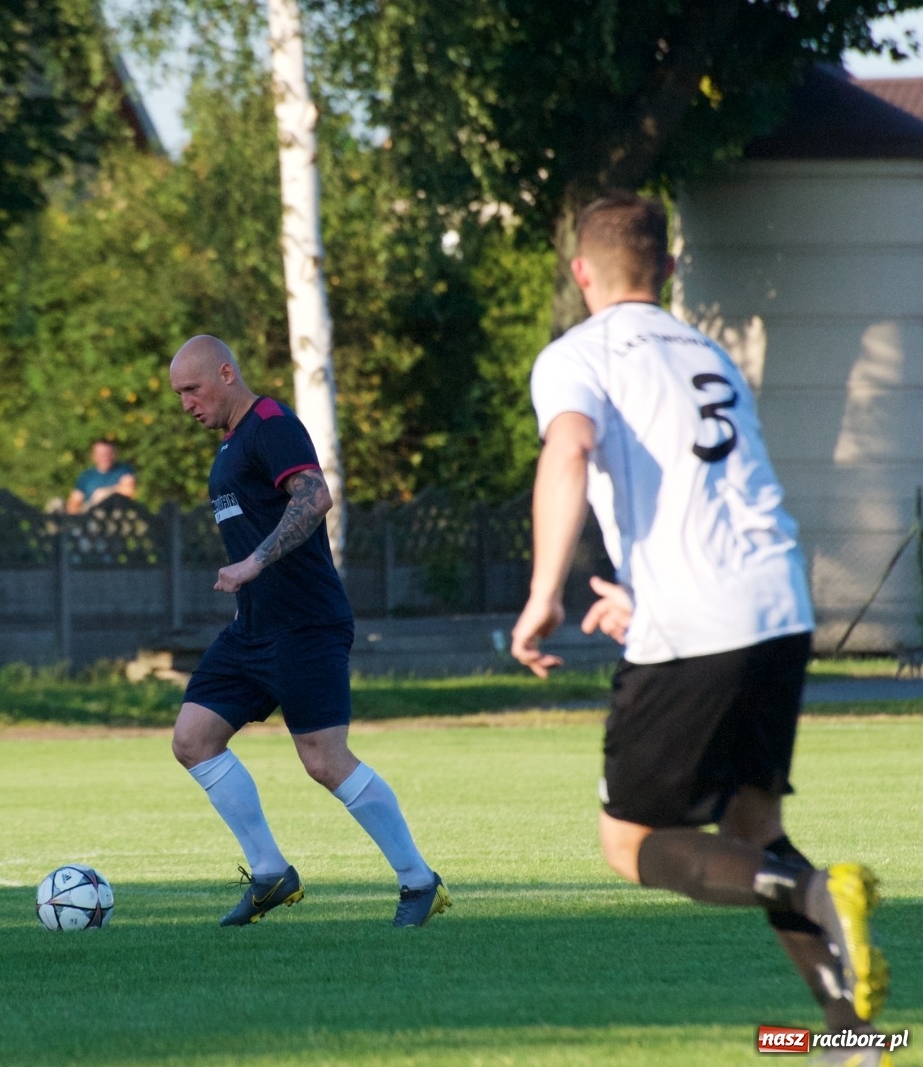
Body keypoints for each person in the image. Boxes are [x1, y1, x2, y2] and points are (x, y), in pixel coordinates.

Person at [510, 193, 890, 1064]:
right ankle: (852, 1038)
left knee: (629, 842)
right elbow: (709, 496)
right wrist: (641, 589)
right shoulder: (709, 353)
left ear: (581, 272)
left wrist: (544, 594)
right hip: (779, 604)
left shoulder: (579, 354)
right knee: (751, 824)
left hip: (698, 619)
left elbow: (566, 449)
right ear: (670, 270)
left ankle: (817, 889)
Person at [167, 335, 449, 928]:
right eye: (179, 395)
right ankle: (271, 874)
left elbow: (316, 496)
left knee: (324, 760)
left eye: (192, 389)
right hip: (253, 629)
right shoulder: (228, 446)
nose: (186, 404)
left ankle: (418, 881)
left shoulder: (270, 422)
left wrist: (255, 562)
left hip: (305, 624)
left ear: (225, 373)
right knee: (193, 739)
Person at [65, 440, 136, 513]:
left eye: (107, 453)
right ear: (94, 456)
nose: (104, 457)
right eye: (100, 454)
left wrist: (106, 493)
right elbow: (75, 500)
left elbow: (128, 490)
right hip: (90, 513)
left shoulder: (124, 470)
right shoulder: (86, 476)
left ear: (113, 454)